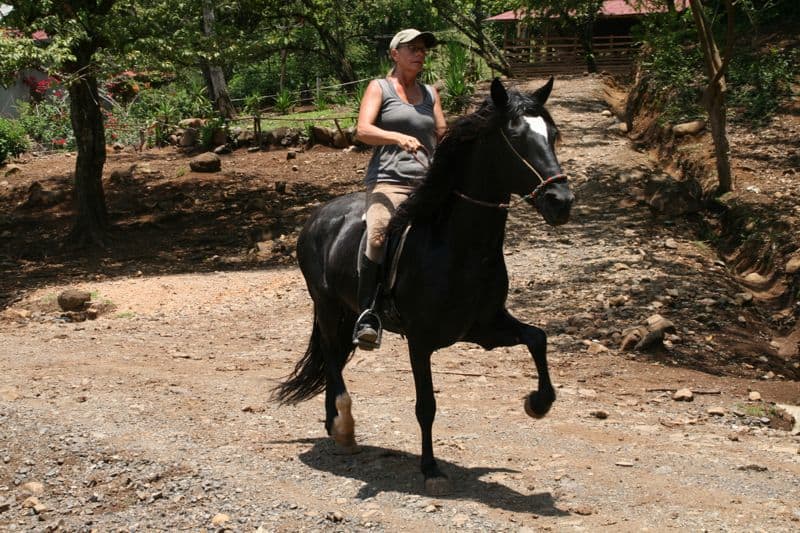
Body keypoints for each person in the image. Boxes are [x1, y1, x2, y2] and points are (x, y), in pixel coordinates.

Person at [352, 28, 447, 350]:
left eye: (423, 49)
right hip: (389, 180)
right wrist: (397, 137)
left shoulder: (431, 94)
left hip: (428, 181)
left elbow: (442, 134)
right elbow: (363, 129)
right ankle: (368, 313)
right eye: (412, 49)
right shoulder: (379, 88)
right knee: (378, 233)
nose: (420, 54)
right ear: (395, 54)